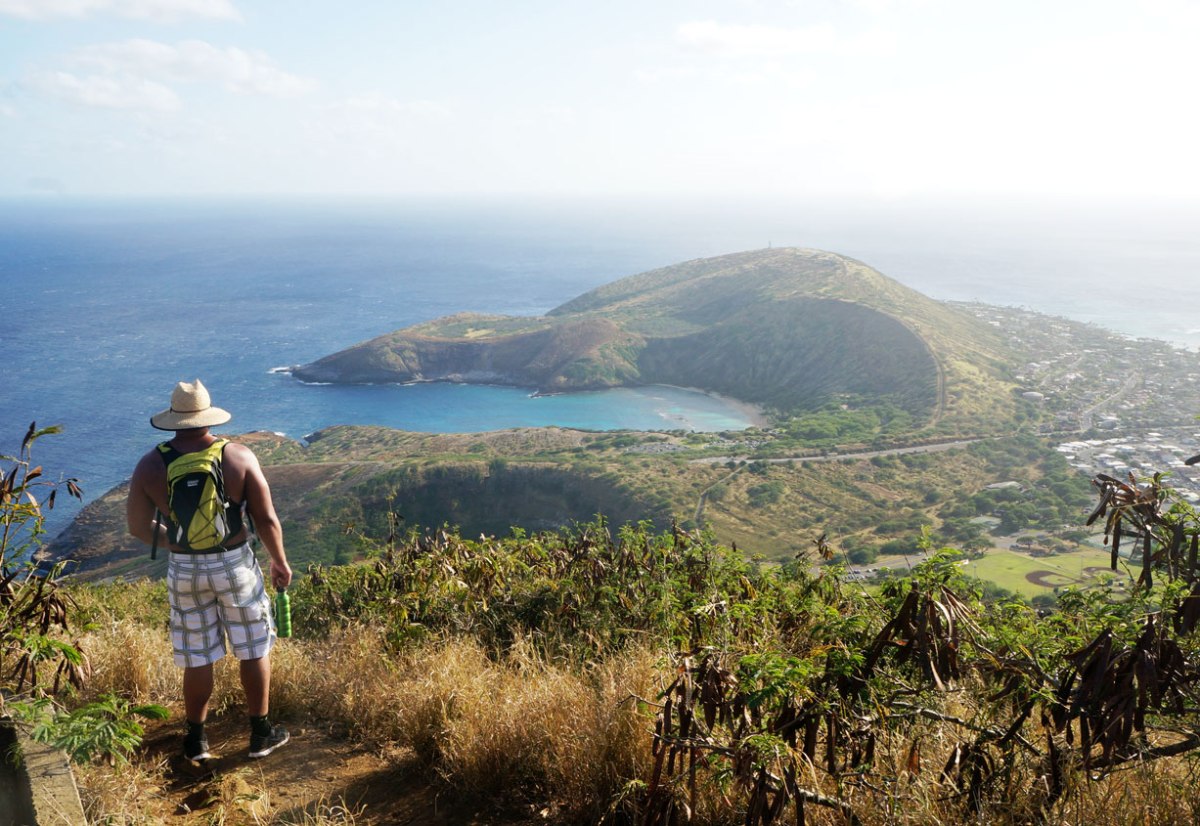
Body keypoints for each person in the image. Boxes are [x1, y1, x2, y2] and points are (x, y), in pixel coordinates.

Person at [126, 379, 293, 762]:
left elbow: (137, 526)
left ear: (174, 419)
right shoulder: (238, 456)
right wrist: (279, 561)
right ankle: (260, 734)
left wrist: (178, 543)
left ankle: (196, 741)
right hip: (234, 563)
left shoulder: (150, 464)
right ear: (208, 416)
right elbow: (266, 519)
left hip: (184, 569)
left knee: (197, 654)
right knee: (253, 647)